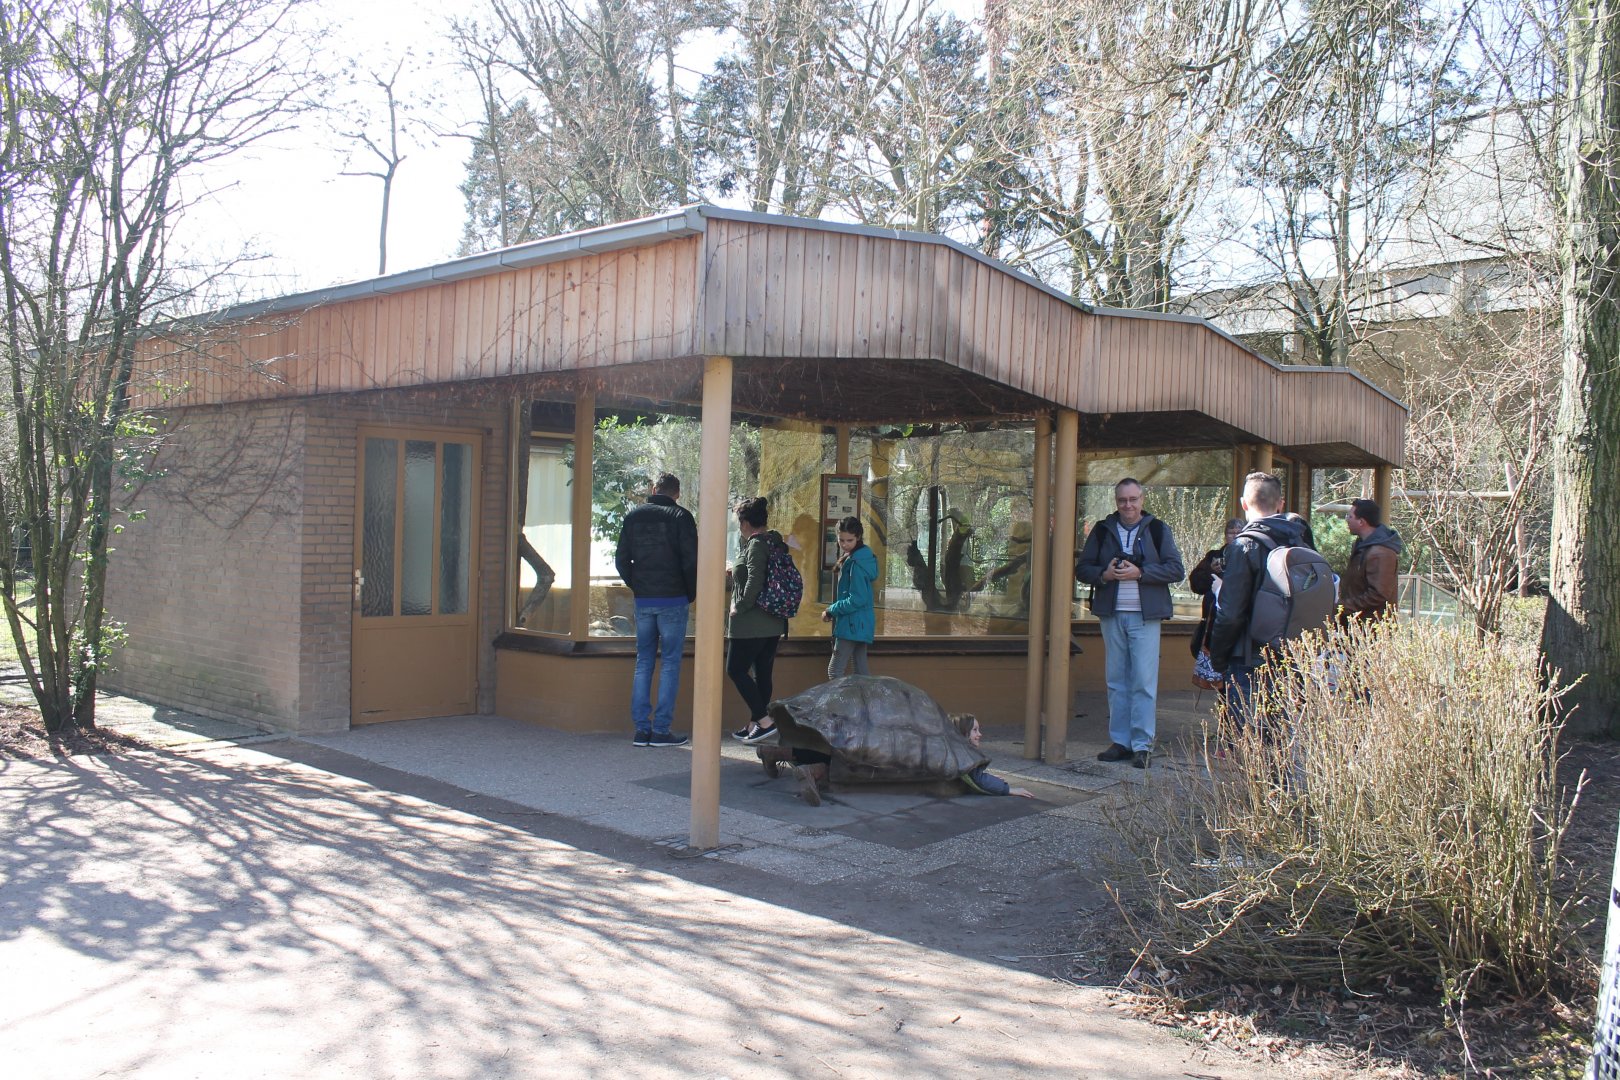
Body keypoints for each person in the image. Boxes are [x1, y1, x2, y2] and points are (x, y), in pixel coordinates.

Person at [1075, 478, 1186, 769]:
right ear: (1116, 501)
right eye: (1123, 500)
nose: (1128, 506)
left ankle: (1142, 745)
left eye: (1133, 499)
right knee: (1116, 680)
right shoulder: (1102, 529)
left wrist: (1141, 572)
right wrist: (1105, 574)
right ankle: (1121, 742)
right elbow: (1083, 569)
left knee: (1143, 682)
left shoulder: (1158, 529)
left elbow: (1176, 570)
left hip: (1145, 615)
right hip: (1112, 614)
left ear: (1142, 500)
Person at [1205, 471, 1316, 728]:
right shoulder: (1301, 540)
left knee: (1248, 743)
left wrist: (1218, 656)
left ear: (1244, 504)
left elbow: (1231, 613)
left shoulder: (1244, 546)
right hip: (1293, 653)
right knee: (1281, 740)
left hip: (1249, 655)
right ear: (1281, 503)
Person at [614, 473, 697, 747]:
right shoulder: (681, 517)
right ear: (677, 494)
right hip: (674, 598)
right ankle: (661, 730)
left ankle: (641, 729)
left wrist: (638, 585)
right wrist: (689, 592)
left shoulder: (633, 517)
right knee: (670, 663)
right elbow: (690, 561)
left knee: (644, 662)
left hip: (645, 600)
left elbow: (622, 560)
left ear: (653, 489)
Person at [728, 496, 790, 745]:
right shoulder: (774, 542)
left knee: (735, 670)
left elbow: (754, 582)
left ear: (744, 522)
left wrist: (738, 606)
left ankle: (765, 721)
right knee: (762, 673)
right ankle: (755, 724)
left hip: (751, 623)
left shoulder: (755, 545)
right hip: (773, 622)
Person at [1188, 518, 1245, 689]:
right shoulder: (1215, 556)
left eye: (1239, 533)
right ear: (1225, 535)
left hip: (1237, 624)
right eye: (1231, 533)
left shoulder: (1248, 557)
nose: (1235, 536)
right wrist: (1210, 570)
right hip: (1213, 625)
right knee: (1217, 680)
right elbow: (1196, 584)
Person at [822, 515, 878, 678]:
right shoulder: (858, 558)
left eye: (849, 540)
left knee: (835, 671)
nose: (845, 544)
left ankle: (843, 704)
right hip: (860, 623)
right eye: (841, 540)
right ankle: (865, 703)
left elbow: (857, 598)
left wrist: (831, 610)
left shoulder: (856, 563)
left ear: (858, 537)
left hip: (851, 623)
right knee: (861, 673)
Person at [1340, 498, 1403, 624]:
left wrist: (1344, 607)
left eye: (1350, 516)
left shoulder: (1381, 552)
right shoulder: (1362, 545)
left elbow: (1378, 594)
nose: (1347, 520)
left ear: (1361, 522)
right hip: (1356, 622)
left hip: (1371, 627)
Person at [954, 715, 1034, 797]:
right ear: (964, 734)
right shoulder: (963, 755)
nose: (980, 734)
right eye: (975, 730)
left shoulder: (957, 750)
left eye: (978, 730)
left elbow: (971, 778)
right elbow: (978, 780)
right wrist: (1009, 790)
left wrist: (990, 779)